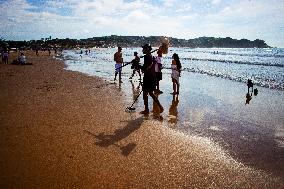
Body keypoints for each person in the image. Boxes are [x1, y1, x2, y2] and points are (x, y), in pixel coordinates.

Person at [140, 44, 163, 115]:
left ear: (147, 49)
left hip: (148, 78)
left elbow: (144, 68)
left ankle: (147, 110)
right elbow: (147, 67)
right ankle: (160, 107)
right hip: (152, 77)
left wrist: (136, 64)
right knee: (150, 93)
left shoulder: (147, 57)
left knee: (145, 94)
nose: (142, 50)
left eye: (143, 48)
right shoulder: (151, 56)